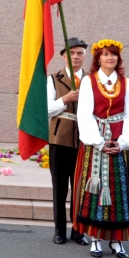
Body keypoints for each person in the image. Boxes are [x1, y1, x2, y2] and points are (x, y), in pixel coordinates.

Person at [72, 39, 129, 258]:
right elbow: (84, 114)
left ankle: (117, 241)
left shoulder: (127, 84)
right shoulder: (88, 82)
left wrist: (123, 143)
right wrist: (99, 142)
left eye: (113, 55)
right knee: (95, 189)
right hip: (96, 146)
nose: (110, 58)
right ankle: (94, 239)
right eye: (105, 54)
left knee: (119, 191)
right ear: (98, 58)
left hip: (119, 145)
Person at [46, 37, 89, 246]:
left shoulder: (92, 80)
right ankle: (59, 230)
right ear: (64, 56)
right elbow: (46, 109)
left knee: (80, 187)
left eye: (80, 53)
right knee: (60, 187)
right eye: (71, 53)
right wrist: (65, 99)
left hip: (84, 141)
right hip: (59, 139)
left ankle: (78, 231)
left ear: (84, 56)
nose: (76, 57)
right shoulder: (54, 79)